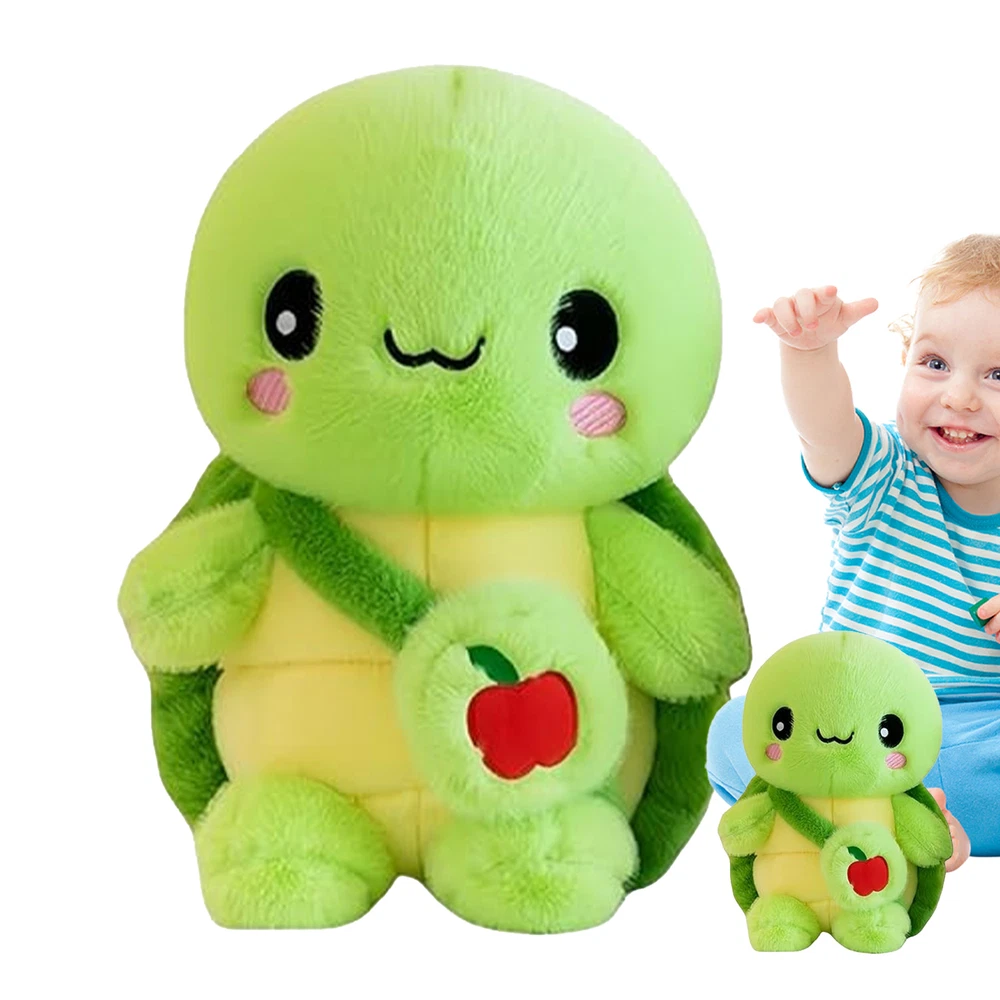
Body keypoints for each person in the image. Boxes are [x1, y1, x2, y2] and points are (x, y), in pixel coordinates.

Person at [707, 235, 1000, 867]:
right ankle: (900, 819)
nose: (960, 397)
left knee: (977, 761)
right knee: (736, 728)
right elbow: (825, 427)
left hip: (973, 733)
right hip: (849, 722)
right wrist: (809, 353)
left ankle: (852, 815)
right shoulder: (885, 473)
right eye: (934, 363)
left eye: (997, 375)